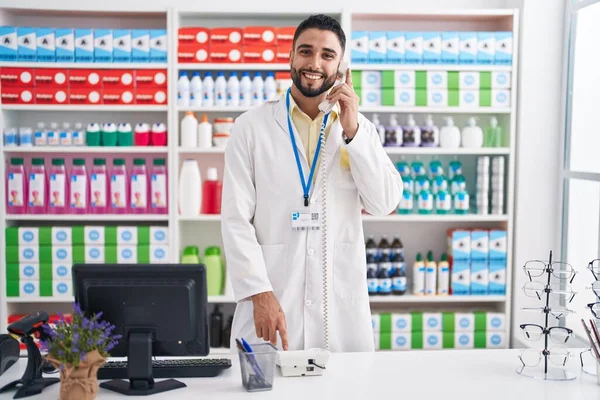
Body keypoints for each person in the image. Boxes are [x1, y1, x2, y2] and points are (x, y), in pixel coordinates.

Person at [222, 14, 403, 352]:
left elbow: (384, 202)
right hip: (272, 297)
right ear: (291, 56)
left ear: (340, 65)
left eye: (327, 55)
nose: (314, 63)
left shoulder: (357, 127)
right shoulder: (251, 127)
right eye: (305, 51)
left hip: (339, 307)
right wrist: (258, 292)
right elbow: (235, 220)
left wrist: (354, 133)